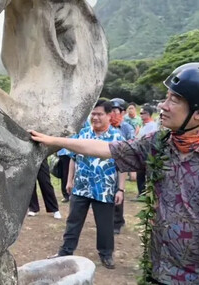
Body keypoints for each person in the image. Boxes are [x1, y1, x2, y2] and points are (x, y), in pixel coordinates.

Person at [30, 62, 199, 284]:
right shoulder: (158, 144)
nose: (163, 105)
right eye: (166, 96)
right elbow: (106, 149)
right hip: (158, 270)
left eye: (174, 100)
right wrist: (52, 140)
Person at [50, 99, 126, 270]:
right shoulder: (83, 134)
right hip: (81, 186)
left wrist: (120, 189)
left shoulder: (117, 138)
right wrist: (69, 180)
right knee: (73, 221)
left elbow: (122, 165)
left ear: (109, 116)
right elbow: (73, 159)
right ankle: (65, 251)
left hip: (104, 189)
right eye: (93, 114)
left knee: (105, 224)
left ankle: (106, 254)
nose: (95, 117)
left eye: (99, 114)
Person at [109, 98, 135, 234]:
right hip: (107, 165)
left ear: (123, 112)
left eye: (115, 111)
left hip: (120, 165)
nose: (112, 114)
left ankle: (117, 222)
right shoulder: (106, 125)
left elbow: (131, 147)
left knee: (118, 192)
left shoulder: (126, 128)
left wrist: (131, 169)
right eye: (110, 111)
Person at [134, 104, 159, 198]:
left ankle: (149, 195)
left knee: (148, 175)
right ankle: (141, 193)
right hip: (141, 154)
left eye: (142, 113)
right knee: (140, 175)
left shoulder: (153, 126)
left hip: (148, 155)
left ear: (148, 114)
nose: (140, 115)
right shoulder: (143, 126)